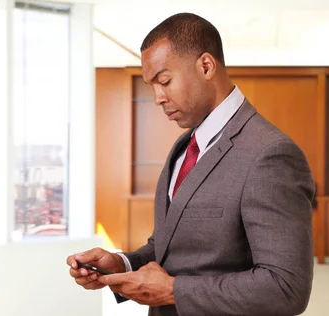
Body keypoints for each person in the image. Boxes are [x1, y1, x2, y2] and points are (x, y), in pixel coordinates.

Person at [67, 12, 315, 316]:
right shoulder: (184, 146)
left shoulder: (271, 154)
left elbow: (286, 288)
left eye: (165, 81)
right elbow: (170, 246)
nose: (158, 97)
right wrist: (124, 264)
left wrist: (173, 291)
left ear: (206, 66)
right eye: (152, 86)